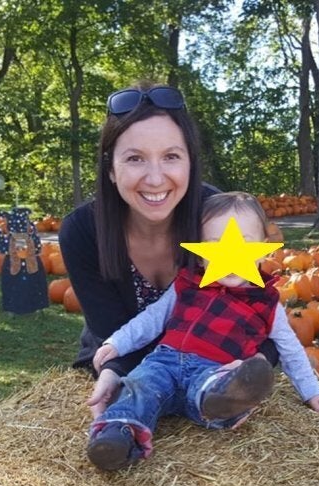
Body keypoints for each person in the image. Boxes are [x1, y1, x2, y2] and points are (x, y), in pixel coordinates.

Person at [59, 82, 278, 418]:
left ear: (190, 162)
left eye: (171, 157)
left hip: (212, 355)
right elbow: (110, 330)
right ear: (111, 170)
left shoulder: (215, 218)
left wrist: (253, 366)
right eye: (135, 158)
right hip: (126, 353)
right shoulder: (82, 231)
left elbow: (259, 306)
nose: (156, 178)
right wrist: (113, 370)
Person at [86, 192, 319, 471]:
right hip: (164, 362)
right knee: (138, 387)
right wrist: (117, 343)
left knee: (215, 388)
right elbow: (152, 319)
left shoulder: (265, 301)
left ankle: (226, 401)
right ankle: (115, 438)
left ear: (264, 249)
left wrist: (310, 391)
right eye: (216, 245)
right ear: (200, 252)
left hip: (214, 369)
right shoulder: (187, 284)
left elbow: (289, 348)